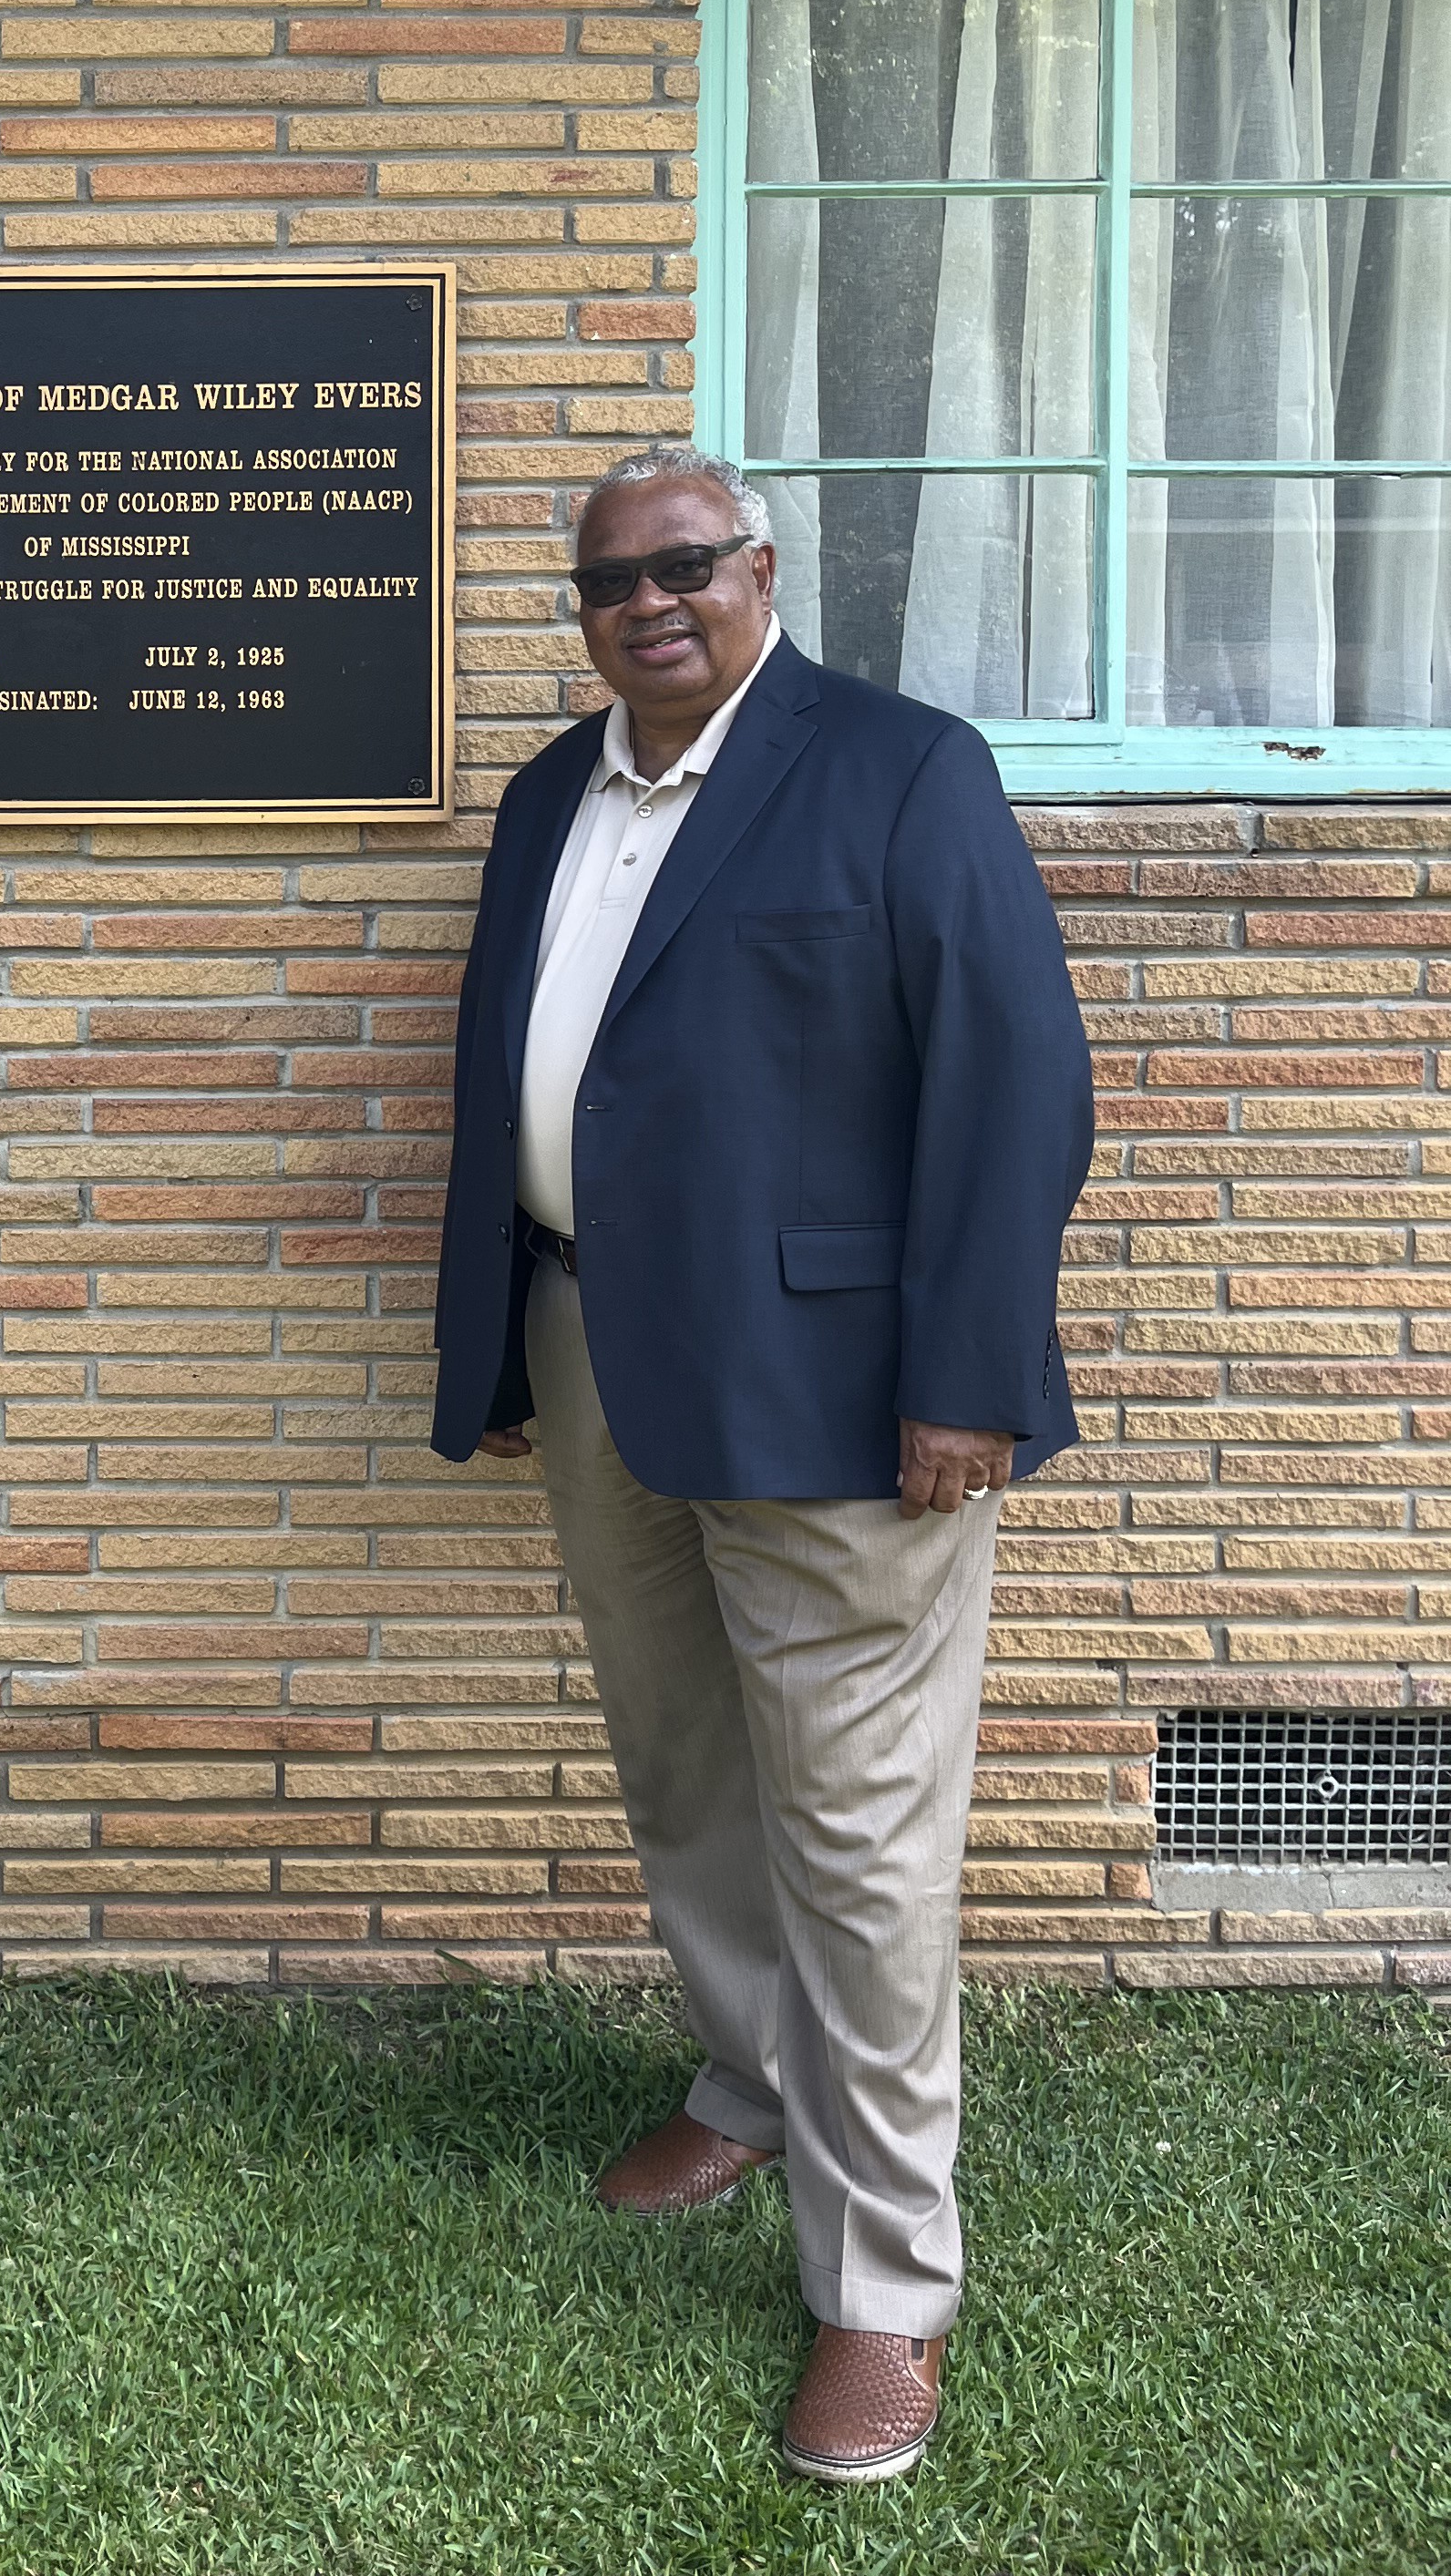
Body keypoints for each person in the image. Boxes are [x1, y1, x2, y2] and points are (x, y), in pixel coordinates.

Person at [430, 443, 1091, 2485]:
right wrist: (501, 1341)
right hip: (593, 1342)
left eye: (689, 565)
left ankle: (887, 2285)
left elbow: (1017, 1074)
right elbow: (517, 1072)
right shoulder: (556, 792)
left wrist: (965, 1373)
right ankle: (750, 2076)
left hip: (839, 1399)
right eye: (613, 579)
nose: (651, 603)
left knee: (863, 1839)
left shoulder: (899, 769)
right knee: (684, 1763)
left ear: (763, 569)